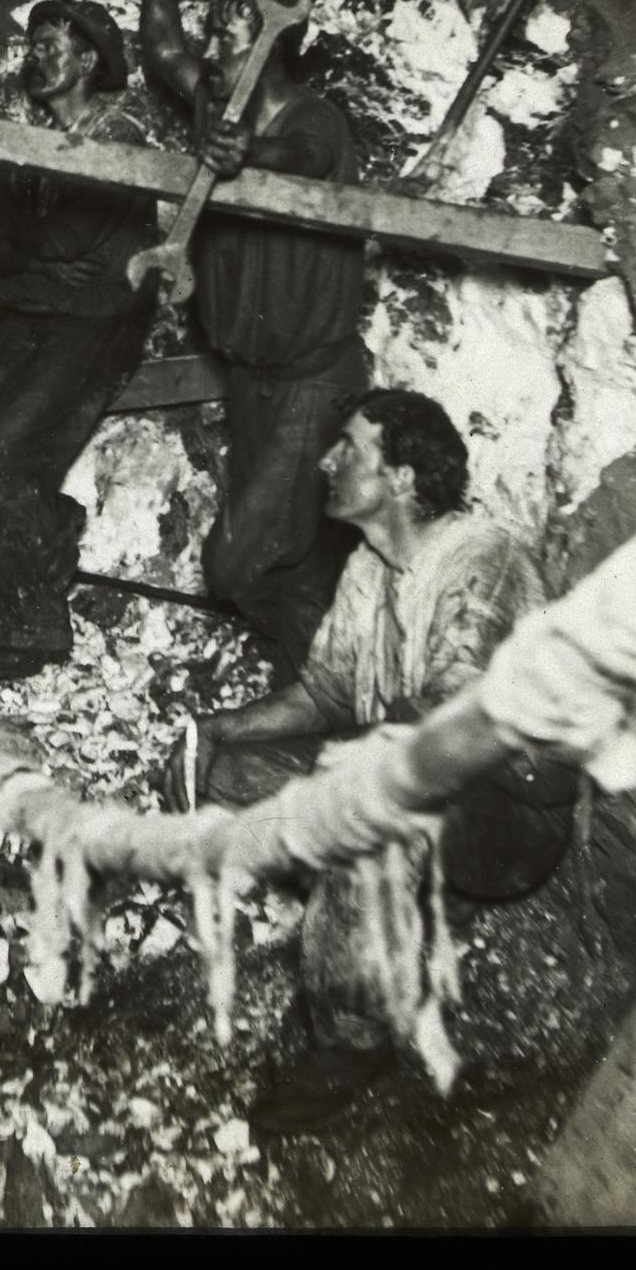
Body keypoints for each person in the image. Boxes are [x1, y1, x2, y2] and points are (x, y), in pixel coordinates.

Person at [183, 388, 581, 1133]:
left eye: (351, 450)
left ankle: (352, 1042)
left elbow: (456, 713)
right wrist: (220, 728)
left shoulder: (480, 559)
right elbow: (325, 691)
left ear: (400, 479)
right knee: (222, 775)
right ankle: (377, 917)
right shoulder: (369, 566)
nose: (328, 461)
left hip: (508, 810)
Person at [116, 0, 376, 679]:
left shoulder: (317, 122)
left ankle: (337, 668)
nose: (213, 49)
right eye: (217, 36)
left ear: (273, 47)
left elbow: (297, 159)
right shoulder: (213, 108)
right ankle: (323, 680)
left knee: (234, 567)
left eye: (230, 37)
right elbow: (164, 50)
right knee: (288, 559)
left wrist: (247, 157)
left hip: (311, 385)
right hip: (255, 382)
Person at [0, 0, 172, 680]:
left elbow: (70, 242)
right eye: (35, 45)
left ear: (90, 63)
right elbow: (5, 254)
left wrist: (29, 231)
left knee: (5, 454)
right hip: (33, 312)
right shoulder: (33, 142)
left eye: (52, 47)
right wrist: (32, 243)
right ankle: (44, 526)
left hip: (98, 327)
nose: (36, 58)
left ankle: (38, 628)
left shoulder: (122, 138)